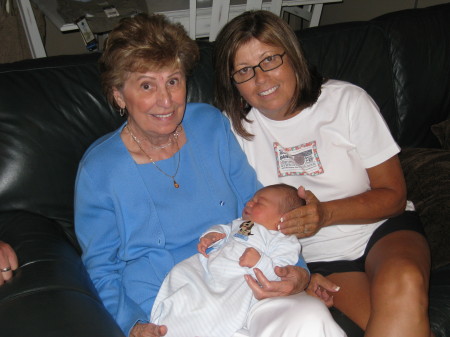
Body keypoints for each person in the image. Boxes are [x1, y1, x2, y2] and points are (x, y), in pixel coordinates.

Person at [74, 13, 344, 337]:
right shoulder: (100, 170)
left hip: (245, 282)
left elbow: (259, 205)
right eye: (147, 85)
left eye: (173, 81)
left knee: (310, 317)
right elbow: (101, 269)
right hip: (171, 306)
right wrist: (132, 324)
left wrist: (298, 272)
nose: (166, 100)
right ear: (119, 95)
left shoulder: (209, 125)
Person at [214, 9, 433, 337]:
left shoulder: (347, 101)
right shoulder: (234, 132)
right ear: (233, 83)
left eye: (270, 60)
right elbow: (240, 220)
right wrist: (299, 275)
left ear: (292, 54)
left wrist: (325, 214)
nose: (261, 79)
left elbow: (394, 196)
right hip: (318, 257)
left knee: (403, 283)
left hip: (383, 231)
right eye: (244, 71)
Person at [151, 184, 317, 337]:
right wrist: (212, 235)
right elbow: (227, 230)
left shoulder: (283, 240)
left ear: (284, 218)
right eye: (251, 199)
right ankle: (169, 319)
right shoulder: (245, 224)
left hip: (237, 283)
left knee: (216, 309)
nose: (249, 203)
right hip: (209, 270)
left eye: (259, 202)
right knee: (183, 276)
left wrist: (259, 263)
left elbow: (279, 274)